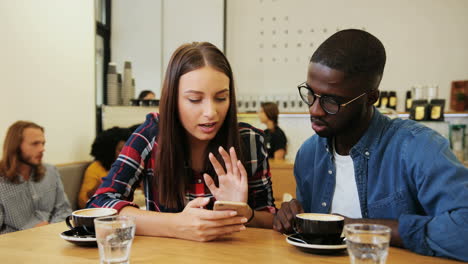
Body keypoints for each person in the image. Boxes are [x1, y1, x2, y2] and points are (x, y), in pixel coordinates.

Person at [273, 29, 468, 261]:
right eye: (311, 94)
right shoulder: (308, 154)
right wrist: (291, 218)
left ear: (371, 97)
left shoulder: (418, 148)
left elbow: (463, 229)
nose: (314, 109)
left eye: (331, 101)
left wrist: (361, 227)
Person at [87, 42, 276, 242]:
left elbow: (272, 218)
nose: (211, 112)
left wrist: (243, 212)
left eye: (221, 98)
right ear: (173, 99)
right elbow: (98, 205)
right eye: (195, 99)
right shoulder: (150, 135)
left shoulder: (250, 141)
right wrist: (177, 225)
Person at [0, 121, 72, 234]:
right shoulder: (2, 181)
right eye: (35, 144)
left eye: (43, 143)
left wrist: (49, 229)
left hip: (51, 239)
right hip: (13, 246)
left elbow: (64, 210)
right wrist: (31, 232)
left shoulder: (51, 172)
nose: (42, 149)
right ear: (16, 146)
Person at [78, 127, 131, 209]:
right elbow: (83, 202)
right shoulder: (95, 168)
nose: (125, 154)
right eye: (121, 150)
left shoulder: (129, 165)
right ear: (109, 151)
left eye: (127, 149)